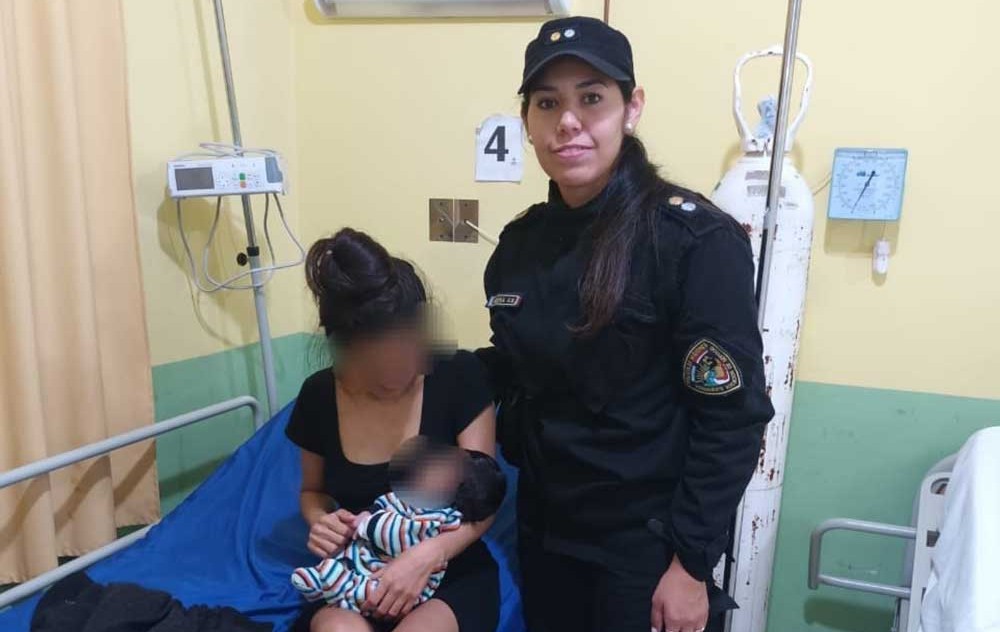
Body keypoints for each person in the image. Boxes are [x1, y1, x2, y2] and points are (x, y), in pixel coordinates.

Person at [474, 16, 775, 632]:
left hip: (646, 547)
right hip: (546, 531)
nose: (568, 121)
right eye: (547, 103)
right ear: (527, 120)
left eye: (591, 98)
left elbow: (732, 420)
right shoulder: (520, 245)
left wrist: (690, 565)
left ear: (631, 108)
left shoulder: (692, 241)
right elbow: (514, 367)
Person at [287, 228, 500, 632]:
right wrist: (319, 521)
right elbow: (311, 492)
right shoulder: (318, 396)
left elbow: (484, 500)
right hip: (359, 570)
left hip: (446, 566)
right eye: (377, 362)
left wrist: (426, 556)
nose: (400, 372)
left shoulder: (459, 376)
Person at [290, 440, 506, 613]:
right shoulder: (412, 499)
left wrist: (367, 524)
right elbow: (385, 502)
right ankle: (328, 582)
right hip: (364, 554)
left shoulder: (440, 519)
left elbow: (398, 533)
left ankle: (337, 582)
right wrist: (329, 522)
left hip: (424, 577)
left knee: (375, 596)